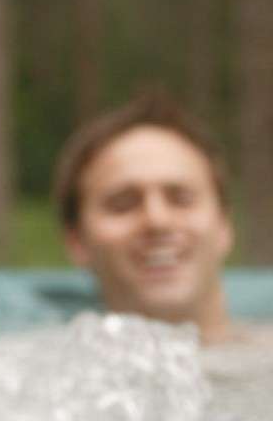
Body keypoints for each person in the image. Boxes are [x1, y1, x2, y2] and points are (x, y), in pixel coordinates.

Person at [53, 91, 235, 344]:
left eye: (181, 199)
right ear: (76, 241)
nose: (157, 221)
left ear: (224, 225)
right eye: (123, 204)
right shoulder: (23, 360)